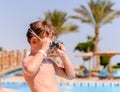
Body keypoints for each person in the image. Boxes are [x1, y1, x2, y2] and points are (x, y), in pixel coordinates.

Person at [22, 18, 75, 92]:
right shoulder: (28, 60)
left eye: (53, 43)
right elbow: (30, 70)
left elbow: (71, 76)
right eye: (49, 43)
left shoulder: (50, 63)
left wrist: (64, 56)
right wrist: (43, 49)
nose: (51, 46)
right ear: (34, 41)